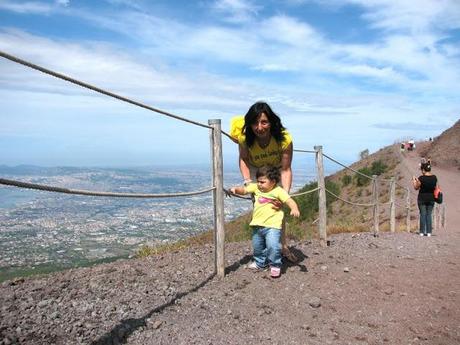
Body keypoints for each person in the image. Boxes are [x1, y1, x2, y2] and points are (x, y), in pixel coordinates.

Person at [230, 101, 296, 262]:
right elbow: (244, 159)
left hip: (276, 168)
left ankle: (281, 246)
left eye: (264, 122)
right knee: (261, 207)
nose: (259, 127)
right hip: (255, 168)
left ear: (271, 122)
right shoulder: (245, 138)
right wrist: (247, 182)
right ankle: (264, 250)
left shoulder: (284, 139)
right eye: (254, 123)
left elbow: (286, 169)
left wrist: (283, 195)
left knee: (276, 208)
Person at [230, 166, 300, 278]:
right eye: (258, 181)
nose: (259, 184)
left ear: (273, 181)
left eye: (262, 182)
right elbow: (244, 190)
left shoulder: (278, 191)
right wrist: (235, 190)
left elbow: (289, 200)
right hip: (257, 225)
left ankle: (275, 265)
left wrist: (294, 208)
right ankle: (260, 263)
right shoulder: (256, 188)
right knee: (257, 247)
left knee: (273, 246)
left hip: (273, 225)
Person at [412, 162, 438, 237]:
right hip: (431, 198)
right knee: (429, 215)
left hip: (422, 198)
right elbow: (436, 187)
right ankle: (429, 232)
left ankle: (422, 232)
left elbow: (416, 187)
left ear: (423, 170)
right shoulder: (434, 177)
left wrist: (414, 180)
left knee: (423, 214)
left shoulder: (421, 178)